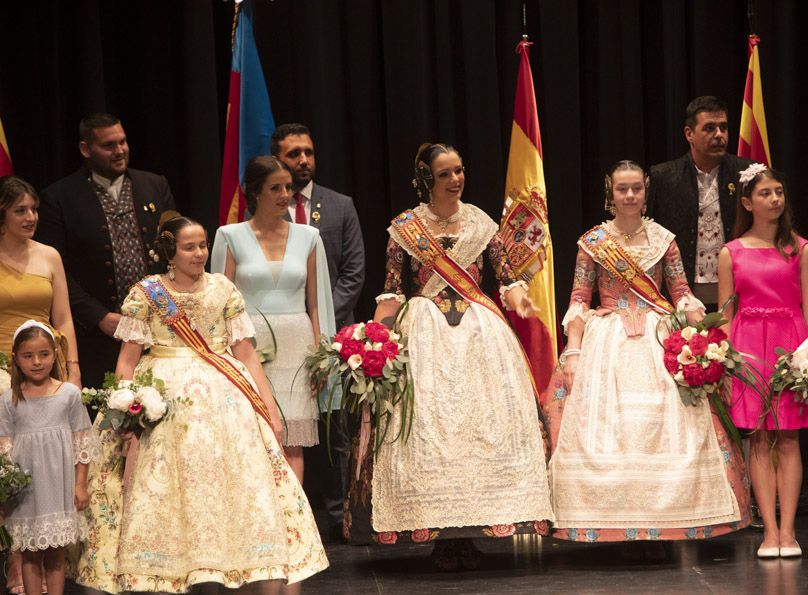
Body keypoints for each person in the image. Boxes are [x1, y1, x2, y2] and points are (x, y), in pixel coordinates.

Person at [76, 214, 328, 595]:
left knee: (214, 492)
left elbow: (244, 352)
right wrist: (122, 410)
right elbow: (127, 359)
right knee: (175, 493)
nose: (200, 253)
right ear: (169, 252)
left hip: (223, 400)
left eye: (203, 245)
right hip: (164, 401)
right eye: (190, 247)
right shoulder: (148, 293)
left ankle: (210, 586)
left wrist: (268, 407)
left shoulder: (223, 289)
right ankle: (179, 588)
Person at [346, 142, 553, 570]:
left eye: (459, 171)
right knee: (430, 427)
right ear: (426, 180)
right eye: (445, 174)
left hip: (480, 329)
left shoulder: (482, 223)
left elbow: (507, 278)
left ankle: (476, 529)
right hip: (423, 330)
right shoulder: (405, 229)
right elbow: (392, 290)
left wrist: (520, 303)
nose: (456, 180)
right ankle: (439, 533)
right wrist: (373, 337)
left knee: (483, 424)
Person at [544, 161, 750, 549]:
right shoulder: (593, 242)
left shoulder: (662, 239)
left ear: (646, 190)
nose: (630, 196)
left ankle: (670, 518)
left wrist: (695, 322)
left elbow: (680, 291)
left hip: (658, 334)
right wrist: (572, 350)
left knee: (666, 422)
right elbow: (577, 299)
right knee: (609, 427)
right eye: (622, 189)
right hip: (607, 338)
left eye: (636, 188)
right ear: (611, 192)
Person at [717, 164, 808, 559]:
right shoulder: (731, 253)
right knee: (760, 439)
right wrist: (724, 362)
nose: (775, 199)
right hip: (749, 348)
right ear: (747, 202)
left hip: (790, 347)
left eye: (779, 192)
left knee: (790, 437)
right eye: (765, 193)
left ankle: (789, 529)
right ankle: (768, 531)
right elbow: (726, 315)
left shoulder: (801, 249)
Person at [212, 156, 336, 482]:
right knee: (256, 439)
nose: (285, 194)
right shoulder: (229, 236)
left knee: (292, 443)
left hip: (298, 350)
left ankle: (295, 526)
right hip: (249, 348)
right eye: (275, 188)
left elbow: (317, 304)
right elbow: (218, 304)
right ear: (254, 192)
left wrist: (322, 356)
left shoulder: (309, 236)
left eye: (289, 187)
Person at [271, 123, 364, 540]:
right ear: (277, 160)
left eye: (308, 152)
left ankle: (338, 516)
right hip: (280, 336)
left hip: (333, 338)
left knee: (334, 430)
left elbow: (353, 272)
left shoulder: (340, 206)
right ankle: (293, 518)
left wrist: (323, 326)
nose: (304, 160)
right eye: (294, 154)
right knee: (290, 430)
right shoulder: (265, 212)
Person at [36, 113, 175, 389]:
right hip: (97, 337)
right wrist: (98, 316)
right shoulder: (58, 198)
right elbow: (56, 272)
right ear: (86, 149)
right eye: (109, 145)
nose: (120, 151)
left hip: (158, 330)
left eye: (123, 142)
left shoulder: (154, 185)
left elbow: (175, 249)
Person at [0, 176, 82, 595]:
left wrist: (72, 369)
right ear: (3, 214)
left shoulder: (48, 256)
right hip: (1, 366)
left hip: (44, 361)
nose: (31, 217)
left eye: (33, 209)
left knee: (49, 453)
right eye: (21, 211)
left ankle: (48, 553)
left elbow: (63, 318)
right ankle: (16, 557)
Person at [0, 321, 91, 595]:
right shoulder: (9, 399)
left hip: (59, 483)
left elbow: (82, 443)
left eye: (43, 354)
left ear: (55, 355)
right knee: (28, 552)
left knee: (55, 553)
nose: (36, 362)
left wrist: (80, 485)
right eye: (28, 356)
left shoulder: (68, 394)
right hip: (26, 488)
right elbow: (4, 447)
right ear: (16, 358)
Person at [647, 96, 752, 311]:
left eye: (723, 128)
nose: (719, 135)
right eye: (710, 128)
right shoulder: (663, 177)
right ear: (689, 134)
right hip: (680, 297)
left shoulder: (746, 173)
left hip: (739, 293)